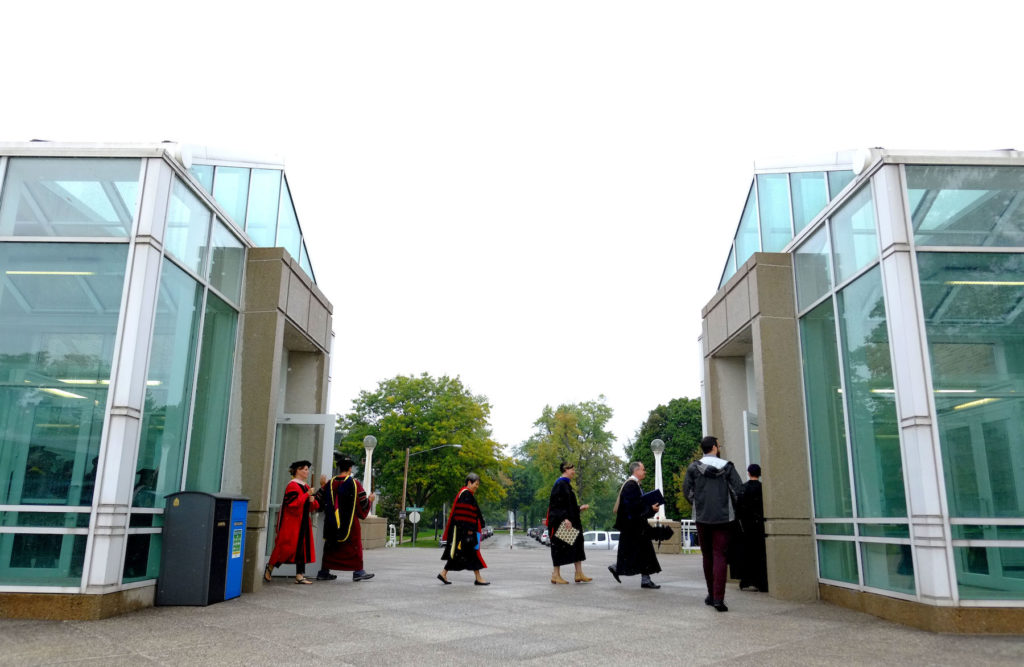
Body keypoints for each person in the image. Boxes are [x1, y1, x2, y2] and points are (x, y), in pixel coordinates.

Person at [683, 435, 743, 612]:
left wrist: (698, 504)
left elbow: (687, 491)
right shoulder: (727, 467)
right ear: (715, 448)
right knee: (720, 556)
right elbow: (738, 489)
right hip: (724, 517)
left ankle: (711, 594)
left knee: (707, 556)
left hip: (702, 517)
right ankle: (719, 599)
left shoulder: (694, 468)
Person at [315, 453, 375, 582]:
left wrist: (322, 486)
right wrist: (370, 500)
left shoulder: (330, 483)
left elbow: (319, 499)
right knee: (354, 546)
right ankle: (358, 571)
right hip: (350, 523)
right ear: (349, 469)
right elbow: (361, 506)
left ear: (339, 468)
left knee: (331, 546)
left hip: (331, 523)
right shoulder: (354, 484)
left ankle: (324, 571)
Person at [265, 460, 321, 584]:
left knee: (302, 549)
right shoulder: (292, 486)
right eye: (305, 469)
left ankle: (299, 575)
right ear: (297, 471)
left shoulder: (305, 486)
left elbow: (311, 507)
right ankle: (270, 566)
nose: (307, 472)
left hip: (303, 522)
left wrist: (312, 500)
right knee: (286, 548)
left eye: (307, 469)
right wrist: (307, 494)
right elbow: (292, 504)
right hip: (292, 522)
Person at [608, 461, 662, 589]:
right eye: (643, 469)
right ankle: (642, 578)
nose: (644, 472)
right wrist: (650, 509)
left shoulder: (633, 485)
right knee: (642, 552)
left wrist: (649, 508)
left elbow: (636, 505)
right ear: (636, 471)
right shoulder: (631, 486)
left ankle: (641, 577)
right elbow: (633, 507)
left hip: (634, 526)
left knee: (638, 552)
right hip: (634, 527)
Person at [438, 472, 489, 585]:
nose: (477, 486)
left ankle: (443, 573)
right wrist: (470, 529)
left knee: (459, 554)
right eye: (476, 483)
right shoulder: (466, 494)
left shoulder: (466, 494)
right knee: (472, 553)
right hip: (465, 531)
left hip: (462, 530)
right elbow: (464, 515)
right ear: (469, 482)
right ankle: (478, 578)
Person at [546, 462, 590, 584]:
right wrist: (565, 518)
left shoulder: (566, 484)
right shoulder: (560, 484)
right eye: (572, 469)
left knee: (577, 546)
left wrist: (579, 508)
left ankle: (579, 573)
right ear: (565, 469)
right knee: (559, 548)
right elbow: (557, 505)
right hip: (563, 522)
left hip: (571, 521)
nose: (574, 472)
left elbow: (568, 504)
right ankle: (555, 575)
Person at [736, 463, 768, 592]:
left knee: (747, 553)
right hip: (759, 525)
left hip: (746, 526)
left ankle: (746, 580)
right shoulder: (763, 489)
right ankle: (761, 581)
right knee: (760, 554)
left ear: (749, 473)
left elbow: (738, 508)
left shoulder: (743, 489)